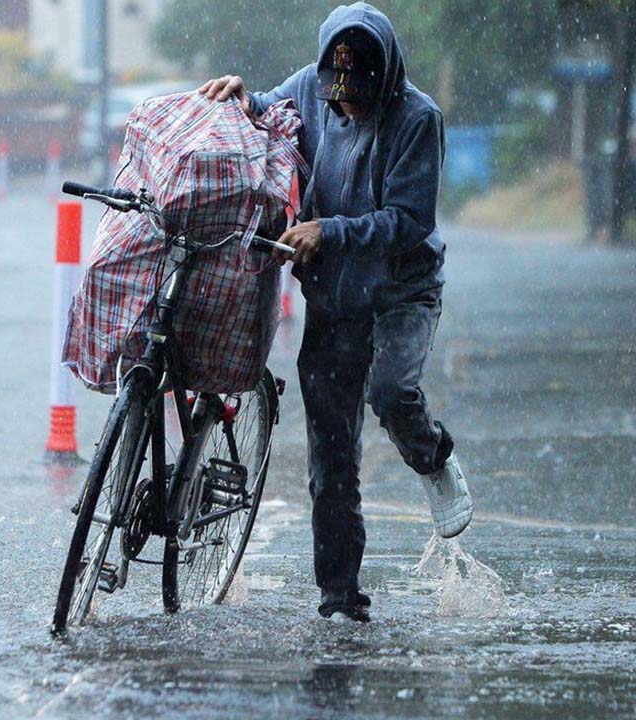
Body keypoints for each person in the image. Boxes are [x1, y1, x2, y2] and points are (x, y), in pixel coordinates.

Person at [199, 1, 471, 622]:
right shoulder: (310, 88)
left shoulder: (417, 118)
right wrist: (242, 98)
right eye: (338, 97)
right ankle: (340, 597)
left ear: (387, 81)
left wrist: (333, 231)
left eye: (360, 98)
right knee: (330, 455)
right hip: (334, 294)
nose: (346, 109)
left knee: (392, 392)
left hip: (403, 289)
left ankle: (433, 457)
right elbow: (266, 110)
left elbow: (410, 220)